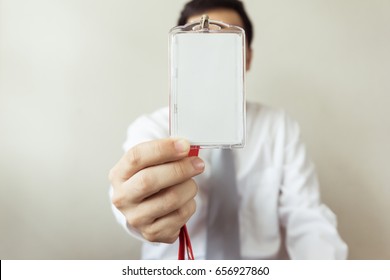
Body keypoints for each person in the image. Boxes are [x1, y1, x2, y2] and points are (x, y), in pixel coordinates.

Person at [109, 0, 348, 260]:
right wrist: (136, 212)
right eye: (200, 43)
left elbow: (307, 218)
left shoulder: (279, 128)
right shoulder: (151, 129)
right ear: (179, 55)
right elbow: (129, 195)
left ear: (247, 57)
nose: (213, 55)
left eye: (228, 42)